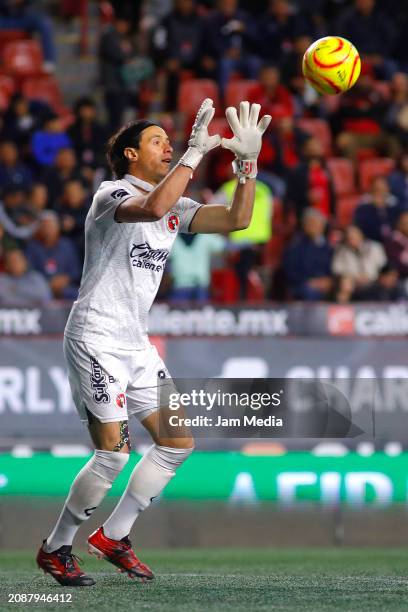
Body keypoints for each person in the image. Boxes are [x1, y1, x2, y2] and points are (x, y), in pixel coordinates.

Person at [36, 98, 271, 586]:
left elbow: (237, 221)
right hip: (95, 336)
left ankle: (113, 537)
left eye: (169, 140)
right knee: (114, 454)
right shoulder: (111, 195)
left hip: (135, 343)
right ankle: (56, 548)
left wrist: (247, 166)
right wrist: (192, 154)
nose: (168, 146)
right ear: (129, 154)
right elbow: (155, 205)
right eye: (157, 141)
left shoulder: (175, 205)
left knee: (177, 441)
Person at [332, 225, 398, 302]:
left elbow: (383, 265)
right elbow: (337, 269)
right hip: (353, 281)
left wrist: (372, 276)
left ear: (361, 236)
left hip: (375, 279)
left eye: (354, 236)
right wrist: (354, 277)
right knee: (346, 284)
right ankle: (342, 310)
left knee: (388, 278)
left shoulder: (375, 247)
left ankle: (386, 309)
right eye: (349, 237)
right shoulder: (342, 250)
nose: (352, 240)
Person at [25, 210, 80, 299]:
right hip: (40, 288)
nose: (48, 229)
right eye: (44, 226)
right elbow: (29, 271)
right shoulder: (32, 247)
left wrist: (65, 279)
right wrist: (47, 283)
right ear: (39, 229)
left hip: (66, 288)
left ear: (57, 227)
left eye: (50, 226)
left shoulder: (67, 245)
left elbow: (75, 272)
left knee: (78, 295)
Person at [283, 207, 333, 300]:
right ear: (304, 226)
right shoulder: (295, 245)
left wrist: (330, 280)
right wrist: (311, 282)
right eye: (310, 224)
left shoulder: (328, 247)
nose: (314, 227)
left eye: (317, 224)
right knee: (310, 292)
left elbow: (333, 267)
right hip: (304, 284)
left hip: (326, 283)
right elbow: (290, 272)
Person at [353, 175, 402, 243]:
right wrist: (374, 208)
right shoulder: (364, 206)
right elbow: (362, 228)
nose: (380, 192)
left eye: (383, 189)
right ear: (371, 189)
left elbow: (399, 225)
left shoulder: (394, 204)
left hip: (394, 241)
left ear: (388, 189)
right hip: (372, 241)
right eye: (377, 189)